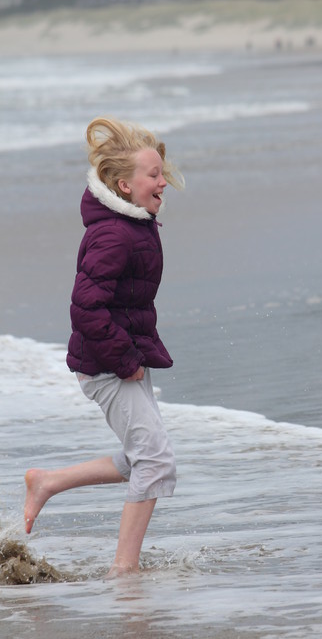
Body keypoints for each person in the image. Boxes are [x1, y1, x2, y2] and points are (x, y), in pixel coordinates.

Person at [24, 116, 184, 578]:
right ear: (123, 185)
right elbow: (85, 309)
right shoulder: (114, 233)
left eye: (162, 172)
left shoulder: (133, 225)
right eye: (153, 175)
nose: (162, 181)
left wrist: (132, 355)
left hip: (120, 358)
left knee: (146, 457)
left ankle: (48, 481)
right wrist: (126, 359)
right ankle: (123, 571)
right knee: (155, 461)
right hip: (108, 364)